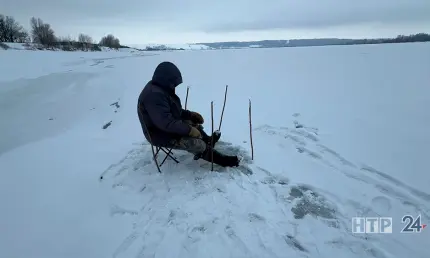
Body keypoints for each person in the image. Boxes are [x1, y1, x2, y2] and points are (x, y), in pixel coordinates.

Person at [137, 61, 240, 167]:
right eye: (173, 83)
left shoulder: (161, 89)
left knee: (191, 122)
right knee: (196, 144)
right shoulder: (154, 96)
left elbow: (174, 112)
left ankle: (208, 141)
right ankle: (222, 161)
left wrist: (191, 115)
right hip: (159, 134)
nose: (174, 87)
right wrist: (189, 130)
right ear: (166, 80)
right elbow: (166, 123)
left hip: (165, 128)